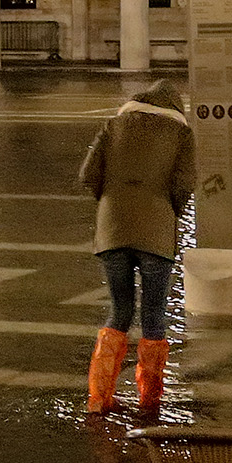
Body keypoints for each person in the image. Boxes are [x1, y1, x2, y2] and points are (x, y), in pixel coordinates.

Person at [80, 79, 196, 415]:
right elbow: (183, 183)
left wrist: (113, 202)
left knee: (119, 311)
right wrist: (167, 210)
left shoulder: (114, 125)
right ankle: (149, 402)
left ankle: (98, 399)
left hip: (112, 228)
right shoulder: (181, 133)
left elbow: (88, 175)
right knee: (154, 316)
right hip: (156, 230)